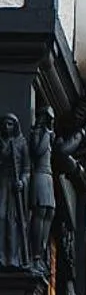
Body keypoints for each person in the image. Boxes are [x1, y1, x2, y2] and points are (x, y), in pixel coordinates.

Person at [0, 114, 31, 269]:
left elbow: (26, 169)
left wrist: (22, 182)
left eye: (10, 124)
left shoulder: (21, 143)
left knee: (12, 220)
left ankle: (12, 257)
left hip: (14, 185)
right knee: (1, 217)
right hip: (2, 183)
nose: (7, 127)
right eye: (5, 124)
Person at [28, 106, 56, 274]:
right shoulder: (38, 133)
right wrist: (46, 132)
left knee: (49, 213)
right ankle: (36, 255)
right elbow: (37, 151)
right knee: (40, 211)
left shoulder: (48, 135)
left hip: (48, 175)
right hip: (39, 174)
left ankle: (42, 250)